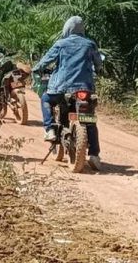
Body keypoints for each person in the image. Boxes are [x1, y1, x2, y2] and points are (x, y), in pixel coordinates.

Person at [33, 16, 103, 168]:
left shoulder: (61, 44)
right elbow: (99, 63)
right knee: (89, 118)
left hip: (61, 88)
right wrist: (98, 69)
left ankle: (50, 129)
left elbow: (45, 61)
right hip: (85, 89)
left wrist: (37, 68)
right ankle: (94, 155)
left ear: (67, 29)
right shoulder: (90, 44)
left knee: (45, 99)